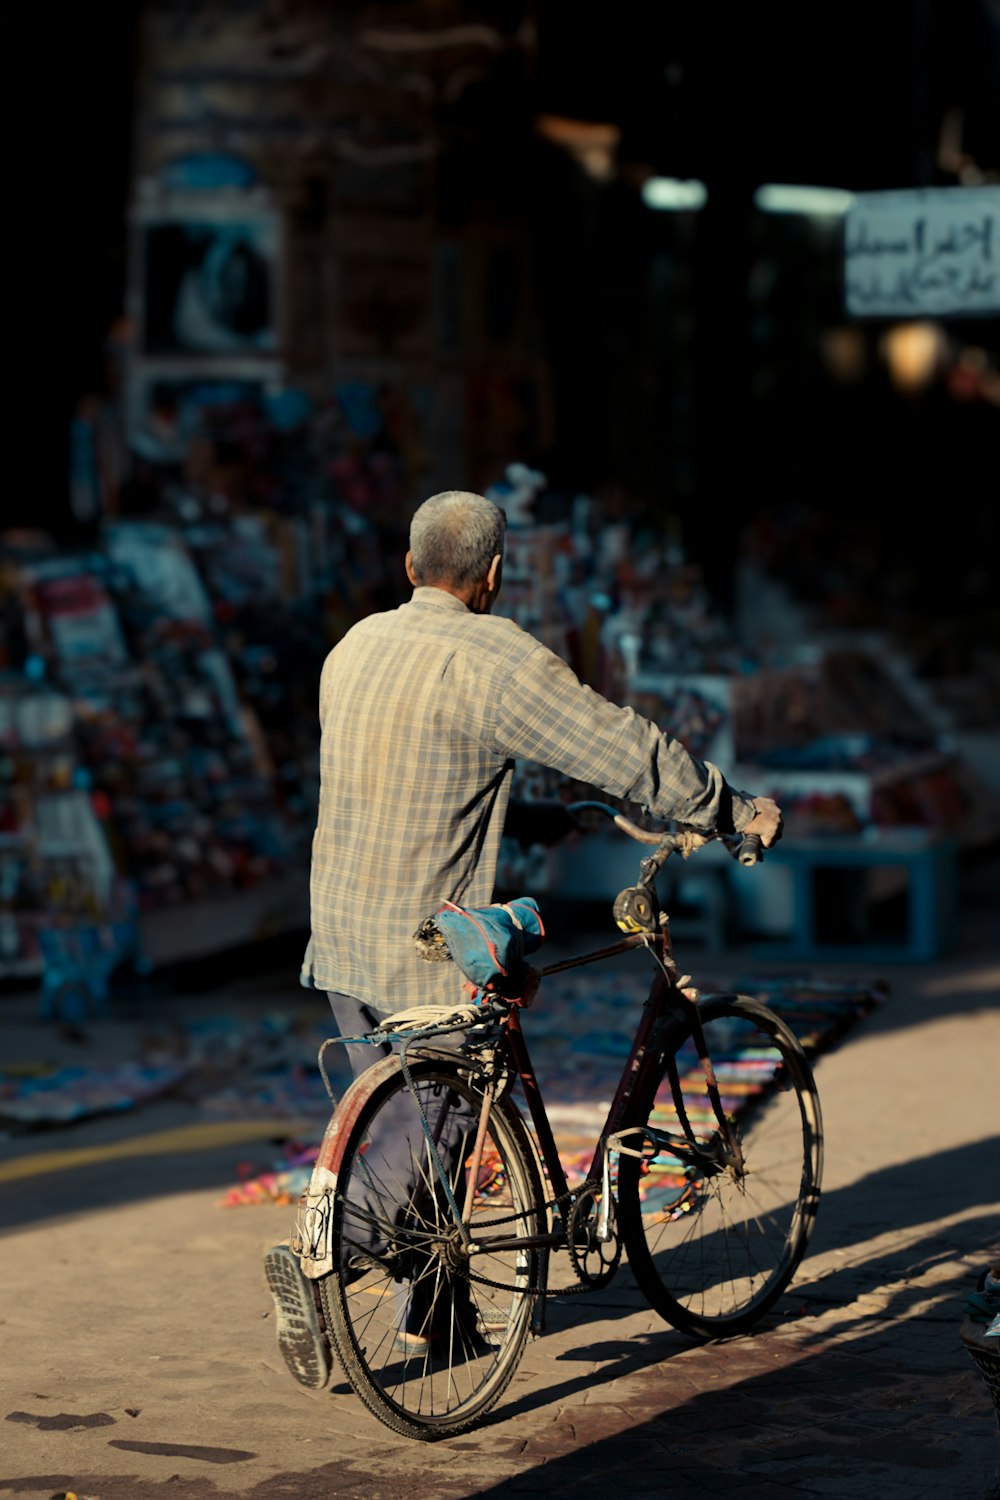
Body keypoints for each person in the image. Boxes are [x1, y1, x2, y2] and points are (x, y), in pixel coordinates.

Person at [265, 488, 783, 1386]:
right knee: (431, 1127)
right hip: (430, 944)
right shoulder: (494, 659)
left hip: (343, 929)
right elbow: (620, 748)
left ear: (409, 566)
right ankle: (321, 1265)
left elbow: (412, 764)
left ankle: (444, 1316)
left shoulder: (354, 647)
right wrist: (726, 806)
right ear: (497, 574)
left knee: (409, 1130)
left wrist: (533, 822)